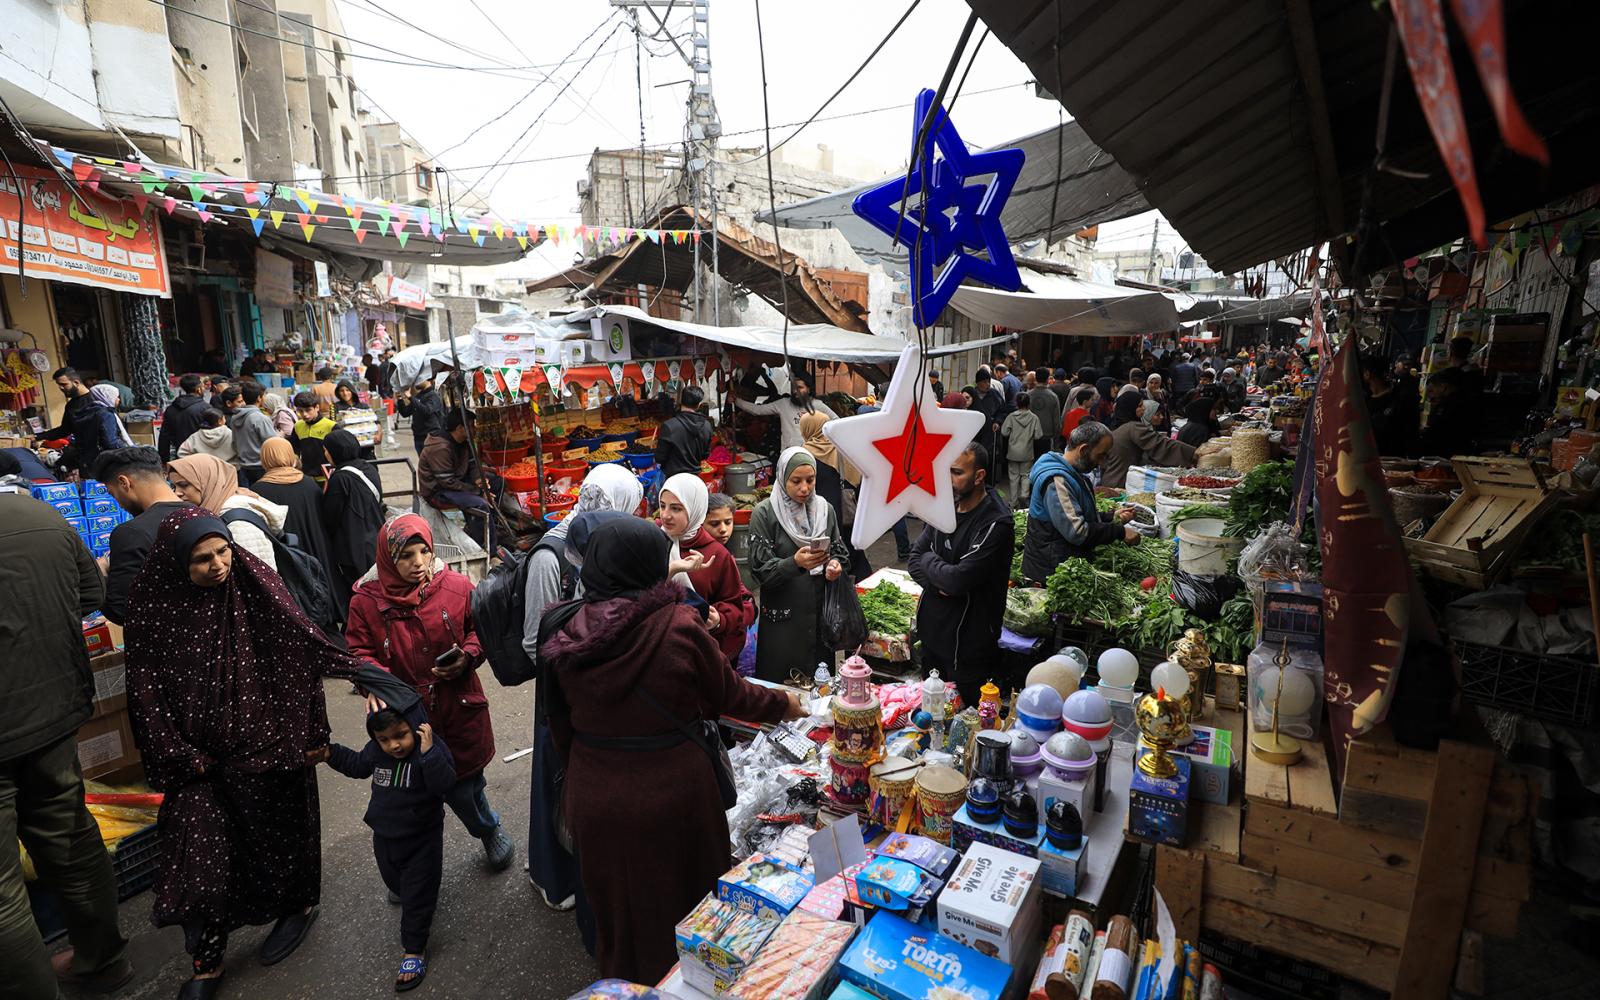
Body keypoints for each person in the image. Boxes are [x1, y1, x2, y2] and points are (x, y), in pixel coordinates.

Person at [123, 507, 419, 997]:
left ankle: (296, 908)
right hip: (196, 759)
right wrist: (174, 751)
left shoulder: (252, 580)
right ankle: (207, 962)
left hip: (266, 740)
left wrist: (366, 676)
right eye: (202, 559)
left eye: (222, 552)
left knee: (278, 834)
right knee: (201, 857)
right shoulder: (152, 607)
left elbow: (304, 642)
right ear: (177, 562)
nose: (218, 565)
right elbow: (145, 689)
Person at [540, 517, 803, 982]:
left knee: (619, 912)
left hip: (596, 794)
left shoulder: (560, 628)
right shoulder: (678, 624)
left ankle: (623, 984)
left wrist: (590, 770)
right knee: (692, 909)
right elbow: (732, 696)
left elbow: (558, 725)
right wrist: (785, 703)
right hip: (675, 793)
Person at [0, 482, 132, 999]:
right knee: (71, 838)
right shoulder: (36, 513)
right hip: (54, 707)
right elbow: (90, 596)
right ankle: (102, 960)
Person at [345, 514, 516, 874]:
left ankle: (488, 829)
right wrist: (376, 683)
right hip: (401, 724)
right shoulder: (365, 602)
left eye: (424, 551)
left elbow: (479, 631)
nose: (419, 563)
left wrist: (466, 657)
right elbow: (358, 652)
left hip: (458, 711)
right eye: (406, 555)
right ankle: (408, 868)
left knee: (466, 791)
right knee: (408, 802)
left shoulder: (456, 587)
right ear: (388, 557)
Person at [519, 464, 642, 917]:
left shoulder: (604, 547)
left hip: (591, 686)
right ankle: (553, 877)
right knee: (556, 780)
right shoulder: (551, 557)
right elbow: (534, 640)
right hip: (561, 688)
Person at [322, 708, 454, 991]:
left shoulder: (428, 748)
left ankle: (414, 949)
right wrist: (329, 753)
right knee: (396, 882)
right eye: (384, 739)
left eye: (400, 736)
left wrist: (430, 754)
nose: (394, 745)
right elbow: (357, 765)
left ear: (416, 728)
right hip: (384, 835)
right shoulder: (377, 751)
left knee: (417, 897)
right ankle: (409, 892)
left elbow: (445, 783)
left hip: (422, 839)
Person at [906, 443, 1014, 707]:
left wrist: (930, 559)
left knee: (967, 722)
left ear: (979, 476)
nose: (948, 481)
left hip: (969, 648)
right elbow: (913, 560)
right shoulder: (944, 507)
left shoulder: (995, 524)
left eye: (956, 473)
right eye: (945, 472)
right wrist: (938, 583)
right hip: (933, 639)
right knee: (929, 715)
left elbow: (957, 580)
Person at [747, 448, 849, 683]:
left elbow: (840, 552)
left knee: (820, 686)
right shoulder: (765, 514)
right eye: (796, 481)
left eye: (810, 480)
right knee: (782, 690)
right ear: (782, 478)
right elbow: (760, 571)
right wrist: (793, 563)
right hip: (782, 621)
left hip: (819, 615)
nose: (804, 488)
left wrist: (835, 566)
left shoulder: (825, 510)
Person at [1021, 422, 1139, 583]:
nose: (1102, 462)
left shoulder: (1072, 472)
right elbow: (1077, 531)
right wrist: (1120, 532)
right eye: (1101, 455)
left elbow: (1076, 514)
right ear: (1083, 450)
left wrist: (1109, 517)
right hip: (1051, 572)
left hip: (1062, 564)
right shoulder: (1057, 480)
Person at [659, 472, 756, 665]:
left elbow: (734, 604)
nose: (666, 515)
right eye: (662, 506)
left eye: (676, 508)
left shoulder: (717, 554)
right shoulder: (652, 542)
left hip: (702, 656)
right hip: (660, 652)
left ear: (695, 510)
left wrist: (719, 619)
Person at [94, 447, 191, 625]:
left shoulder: (131, 533)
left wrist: (100, 574)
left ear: (124, 482)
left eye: (112, 493)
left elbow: (122, 611)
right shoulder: (206, 515)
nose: (118, 503)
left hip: (165, 644)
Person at [249, 437, 338, 599]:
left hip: (286, 561)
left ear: (264, 457)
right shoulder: (309, 484)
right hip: (315, 552)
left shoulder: (258, 490)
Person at [168, 453, 287, 572]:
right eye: (174, 487)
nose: (177, 493)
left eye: (184, 485)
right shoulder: (214, 512)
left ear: (208, 481)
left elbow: (260, 578)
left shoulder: (237, 524)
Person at [322, 428, 386, 613]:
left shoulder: (340, 478)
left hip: (353, 545)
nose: (325, 453)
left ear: (336, 451)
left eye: (326, 449)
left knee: (360, 591)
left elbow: (330, 517)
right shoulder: (368, 467)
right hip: (375, 536)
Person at [419, 409, 497, 551]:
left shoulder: (465, 442)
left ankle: (492, 529)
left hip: (458, 483)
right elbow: (447, 482)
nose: (474, 428)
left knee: (498, 483)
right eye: (471, 425)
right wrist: (478, 491)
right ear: (461, 428)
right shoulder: (439, 447)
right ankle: (485, 548)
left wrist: (479, 479)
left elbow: (473, 465)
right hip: (438, 491)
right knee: (480, 504)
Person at [36, 367, 123, 475]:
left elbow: (111, 436)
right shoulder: (71, 405)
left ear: (76, 382)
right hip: (85, 458)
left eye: (64, 384)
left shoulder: (98, 400)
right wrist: (38, 436)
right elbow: (65, 429)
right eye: (59, 385)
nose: (61, 388)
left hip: (104, 457)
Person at [1100, 393, 1197, 489]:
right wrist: (1193, 453)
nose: (1143, 408)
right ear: (1130, 408)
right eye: (1140, 406)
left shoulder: (1117, 427)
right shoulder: (1133, 427)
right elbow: (1160, 444)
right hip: (1119, 482)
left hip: (1109, 480)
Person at [653, 385, 713, 479]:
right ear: (698, 404)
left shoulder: (669, 426)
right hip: (696, 477)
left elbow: (660, 458)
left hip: (673, 479)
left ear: (681, 401)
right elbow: (705, 455)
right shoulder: (707, 426)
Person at [223, 383, 278, 482]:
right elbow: (272, 444)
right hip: (261, 466)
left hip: (244, 465)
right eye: (264, 395)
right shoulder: (260, 418)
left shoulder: (235, 417)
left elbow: (235, 442)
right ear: (259, 398)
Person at [1419, 367, 1477, 457]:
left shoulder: (1448, 404)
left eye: (1432, 390)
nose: (1431, 395)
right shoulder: (1468, 400)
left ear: (1443, 387)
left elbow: (1437, 429)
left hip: (1444, 452)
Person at [999, 394, 1044, 507]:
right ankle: (1024, 498)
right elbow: (1039, 435)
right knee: (1026, 475)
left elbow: (1004, 432)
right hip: (1027, 452)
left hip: (1013, 453)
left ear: (1016, 404)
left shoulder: (1011, 417)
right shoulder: (1034, 417)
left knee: (1013, 477)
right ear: (1029, 404)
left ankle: (1013, 502)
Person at [290, 391, 338, 482]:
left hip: (328, 477)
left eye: (308, 410)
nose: (304, 414)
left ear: (317, 407)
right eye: (300, 411)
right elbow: (294, 449)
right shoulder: (297, 426)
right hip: (306, 477)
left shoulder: (331, 426)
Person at [159, 374, 209, 462]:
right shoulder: (205, 408)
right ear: (198, 389)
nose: (204, 389)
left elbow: (164, 436)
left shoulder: (171, 409)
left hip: (181, 455)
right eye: (203, 386)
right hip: (202, 456)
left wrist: (164, 459)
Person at [397, 378, 446, 455]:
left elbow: (427, 411)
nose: (416, 382)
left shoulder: (433, 396)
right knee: (424, 464)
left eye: (419, 379)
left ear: (427, 379)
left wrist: (411, 397)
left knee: (432, 463)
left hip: (430, 436)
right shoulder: (419, 396)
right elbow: (405, 413)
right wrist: (400, 400)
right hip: (418, 437)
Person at [1026, 369, 1062, 452]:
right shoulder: (1053, 396)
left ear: (1036, 378)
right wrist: (1056, 439)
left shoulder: (1028, 395)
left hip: (1030, 435)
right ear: (1047, 379)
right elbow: (1056, 420)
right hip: (1047, 436)